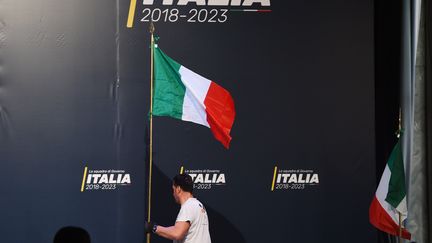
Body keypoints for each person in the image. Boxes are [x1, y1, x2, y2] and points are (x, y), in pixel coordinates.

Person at [144, 173, 212, 243]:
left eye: (173, 189)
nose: (173, 194)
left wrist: (154, 228)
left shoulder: (188, 206)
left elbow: (177, 233)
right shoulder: (198, 204)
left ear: (178, 189)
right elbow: (179, 229)